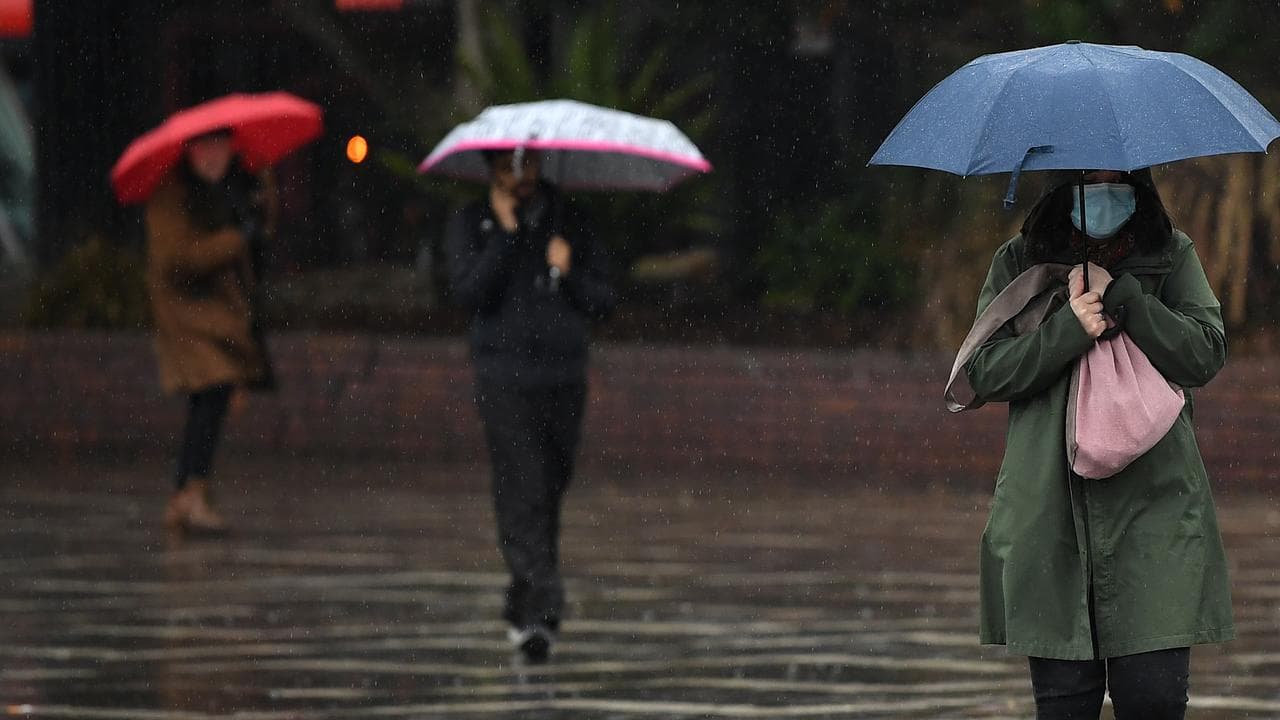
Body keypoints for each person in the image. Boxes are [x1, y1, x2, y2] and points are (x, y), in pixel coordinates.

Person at [963, 168, 1233, 719]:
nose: (1106, 194)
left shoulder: (1170, 254)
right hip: (1049, 515)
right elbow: (985, 372)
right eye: (1092, 179)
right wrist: (1067, 328)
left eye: (1119, 182)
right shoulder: (1019, 262)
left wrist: (1127, 298)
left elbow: (1203, 353)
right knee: (1063, 704)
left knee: (1155, 699)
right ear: (1066, 183)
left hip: (1154, 510)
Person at [444, 148, 615, 663]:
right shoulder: (471, 222)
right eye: (506, 170)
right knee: (523, 484)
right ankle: (544, 607)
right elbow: (469, 291)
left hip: (562, 374)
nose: (519, 179)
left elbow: (604, 300)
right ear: (491, 173)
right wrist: (505, 234)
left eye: (527, 167)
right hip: (503, 375)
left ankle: (524, 602)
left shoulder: (572, 222)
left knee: (548, 487)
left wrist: (568, 272)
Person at [145, 129, 273, 535]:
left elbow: (260, 236)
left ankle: (189, 489)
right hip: (188, 316)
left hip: (219, 313)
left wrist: (259, 201)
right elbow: (177, 259)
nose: (214, 156)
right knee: (213, 390)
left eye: (222, 146)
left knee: (213, 397)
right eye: (205, 148)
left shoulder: (229, 189)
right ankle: (190, 492)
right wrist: (233, 240)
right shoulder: (171, 193)